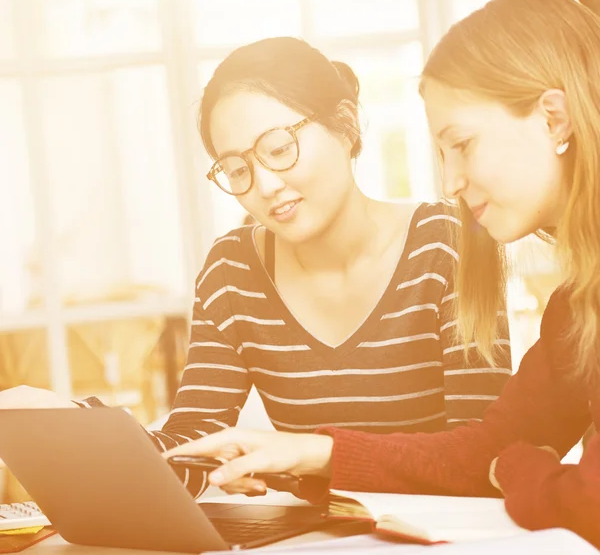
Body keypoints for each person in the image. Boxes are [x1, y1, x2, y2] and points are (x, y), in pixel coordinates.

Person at [162, 0, 600, 549]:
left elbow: (578, 494)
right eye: (235, 168)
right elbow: (490, 448)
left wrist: (516, 468)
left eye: (462, 144)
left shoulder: (450, 244)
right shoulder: (577, 305)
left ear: (553, 117)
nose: (450, 183)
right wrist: (308, 450)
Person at [0, 37, 510, 497]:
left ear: (346, 124)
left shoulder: (449, 245)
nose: (264, 186)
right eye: (238, 169)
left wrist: (312, 459)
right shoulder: (233, 270)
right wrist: (81, 425)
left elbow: (481, 456)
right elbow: (191, 449)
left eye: (279, 149)